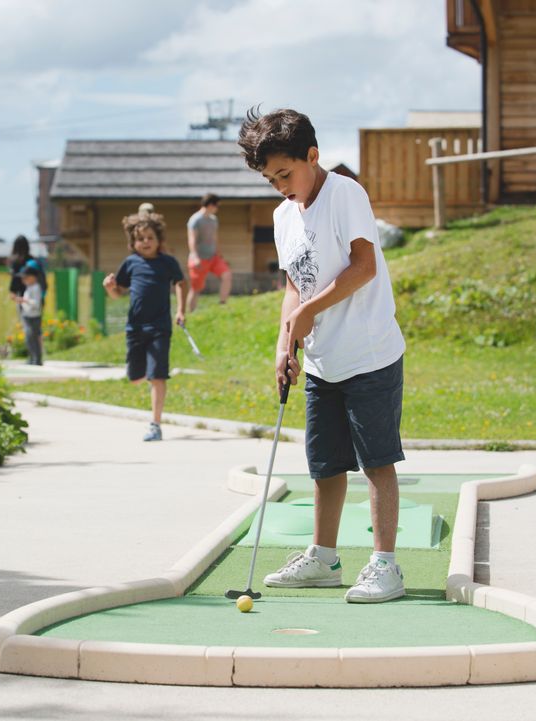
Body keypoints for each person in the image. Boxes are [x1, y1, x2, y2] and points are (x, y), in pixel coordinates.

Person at [238, 107, 407, 604]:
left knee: (376, 461)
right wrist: (285, 340)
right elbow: (293, 283)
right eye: (271, 180)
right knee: (325, 465)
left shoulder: (345, 194)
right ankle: (324, 559)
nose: (280, 186)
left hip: (369, 352)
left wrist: (310, 310)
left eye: (286, 174)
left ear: (312, 155)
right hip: (321, 359)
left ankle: (385, 565)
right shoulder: (282, 215)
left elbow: (364, 266)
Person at [102, 210, 186, 442]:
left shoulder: (167, 263)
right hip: (135, 329)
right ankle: (143, 376)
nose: (145, 242)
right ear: (133, 242)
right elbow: (118, 292)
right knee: (135, 375)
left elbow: (180, 283)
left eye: (150, 237)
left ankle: (155, 424)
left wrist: (180, 310)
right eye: (140, 239)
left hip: (160, 327)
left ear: (159, 239)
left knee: (157, 375)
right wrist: (109, 287)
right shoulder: (130, 263)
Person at [186, 193, 232, 312]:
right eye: (217, 206)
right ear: (211, 205)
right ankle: (191, 313)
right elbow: (192, 239)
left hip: (213, 257)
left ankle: (222, 304)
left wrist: (219, 253)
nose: (217, 209)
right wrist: (194, 256)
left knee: (227, 275)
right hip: (199, 258)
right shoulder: (195, 220)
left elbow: (214, 238)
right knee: (196, 288)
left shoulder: (213, 220)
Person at [15, 262, 44, 365]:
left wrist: (24, 300)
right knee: (28, 338)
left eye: (25, 278)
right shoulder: (29, 288)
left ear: (33, 277)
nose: (23, 280)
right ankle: (32, 357)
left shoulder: (36, 288)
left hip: (34, 316)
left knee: (33, 337)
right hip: (27, 315)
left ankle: (37, 358)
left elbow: (36, 303)